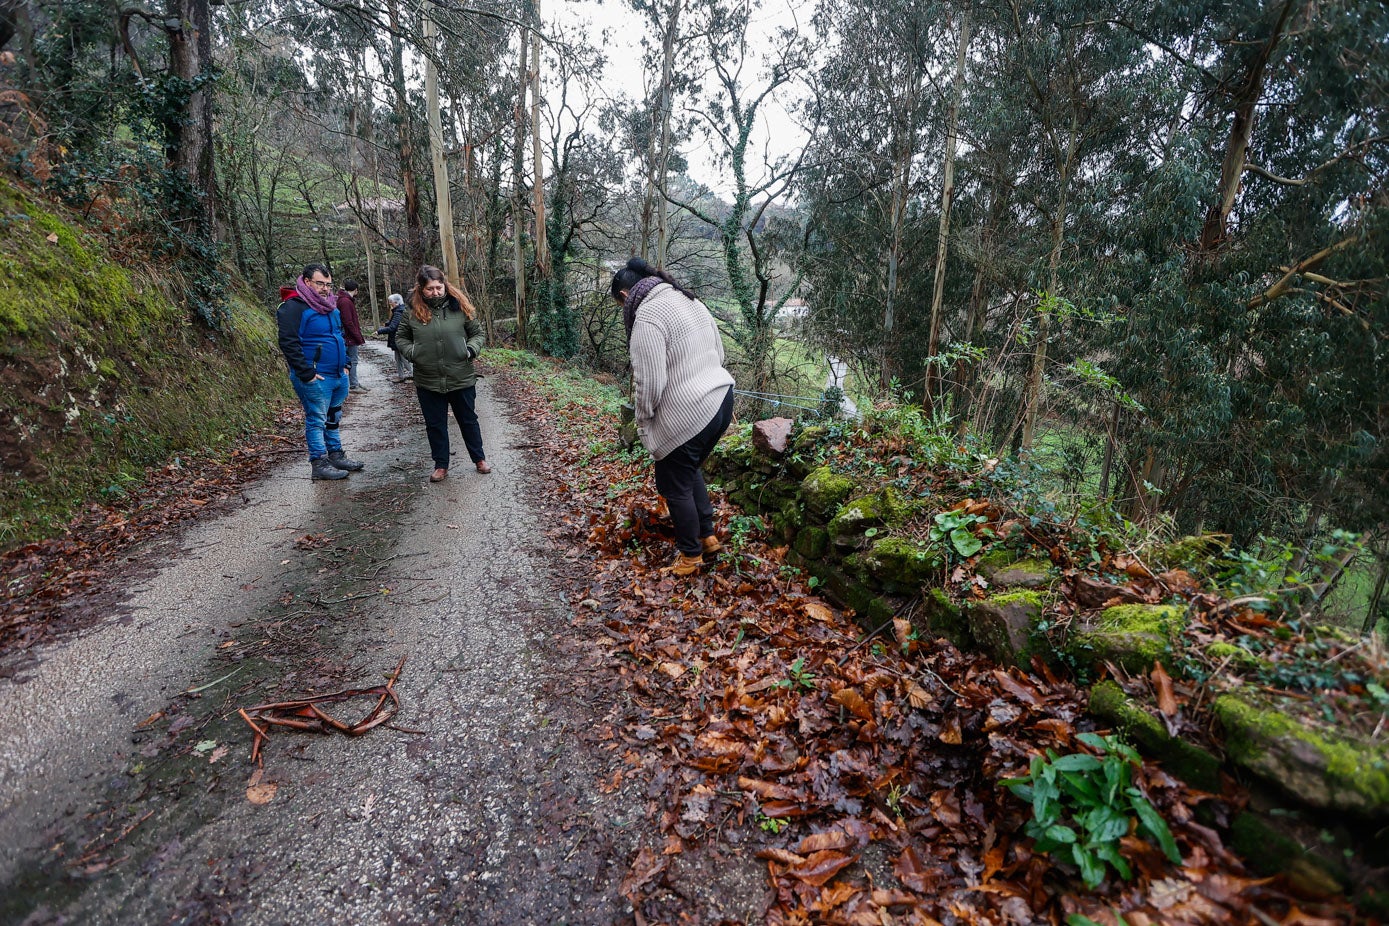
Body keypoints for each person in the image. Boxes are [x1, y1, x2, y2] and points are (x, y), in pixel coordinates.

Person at [611, 257, 735, 576]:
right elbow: (719, 354)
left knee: (673, 482)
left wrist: (643, 424)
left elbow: (649, 382)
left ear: (625, 297)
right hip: (721, 399)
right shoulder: (688, 298)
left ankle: (690, 557)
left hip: (690, 411)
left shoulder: (647, 316)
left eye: (619, 307)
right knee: (687, 468)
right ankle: (707, 537)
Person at [395, 266, 491, 482]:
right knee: (435, 424)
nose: (436, 292)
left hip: (461, 375)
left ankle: (479, 459)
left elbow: (477, 333)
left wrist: (469, 350)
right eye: (430, 289)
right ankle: (441, 465)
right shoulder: (411, 310)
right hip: (428, 379)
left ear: (444, 285)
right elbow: (401, 338)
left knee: (468, 420)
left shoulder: (460, 306)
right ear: (421, 289)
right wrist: (414, 353)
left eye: (439, 287)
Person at [275, 263, 366, 481]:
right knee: (316, 418)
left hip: (337, 375)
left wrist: (346, 364)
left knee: (333, 416)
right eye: (320, 284)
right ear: (307, 282)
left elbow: (338, 335)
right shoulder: (293, 307)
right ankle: (319, 462)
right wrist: (306, 372)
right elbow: (288, 342)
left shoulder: (330, 307)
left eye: (328, 284)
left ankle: (335, 455)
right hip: (315, 376)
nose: (325, 288)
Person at [337, 279, 370, 393]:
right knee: (352, 360)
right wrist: (357, 335)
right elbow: (348, 321)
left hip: (347, 336)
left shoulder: (345, 300)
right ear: (355, 290)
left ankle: (354, 382)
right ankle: (353, 385)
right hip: (348, 337)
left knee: (351, 360)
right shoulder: (346, 301)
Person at [376, 293, 412, 382]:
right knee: (398, 358)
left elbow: (393, 327)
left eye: (390, 302)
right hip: (397, 339)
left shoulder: (399, 312)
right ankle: (401, 376)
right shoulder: (398, 311)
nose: (390, 304)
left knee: (404, 359)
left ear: (396, 302)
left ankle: (413, 374)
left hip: (400, 339)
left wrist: (379, 331)